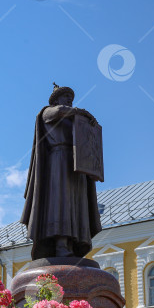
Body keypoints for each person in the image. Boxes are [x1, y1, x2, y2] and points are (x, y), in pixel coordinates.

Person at [21, 84, 103, 259]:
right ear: (56, 99)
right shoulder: (47, 112)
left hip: (77, 164)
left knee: (77, 205)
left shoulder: (74, 119)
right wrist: (83, 112)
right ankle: (60, 245)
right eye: (66, 97)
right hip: (58, 162)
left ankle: (74, 244)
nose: (70, 101)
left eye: (71, 99)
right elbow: (60, 111)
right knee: (61, 203)